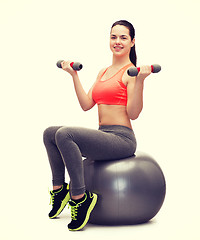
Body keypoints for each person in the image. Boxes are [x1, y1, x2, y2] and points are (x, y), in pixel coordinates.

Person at [43, 20, 152, 231]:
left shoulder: (132, 73)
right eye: (113, 37)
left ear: (132, 42)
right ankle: (59, 190)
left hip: (122, 139)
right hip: (104, 136)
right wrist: (73, 75)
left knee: (66, 134)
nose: (117, 41)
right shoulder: (103, 72)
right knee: (50, 133)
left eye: (123, 37)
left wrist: (141, 81)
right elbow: (86, 104)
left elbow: (134, 114)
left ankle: (79, 197)